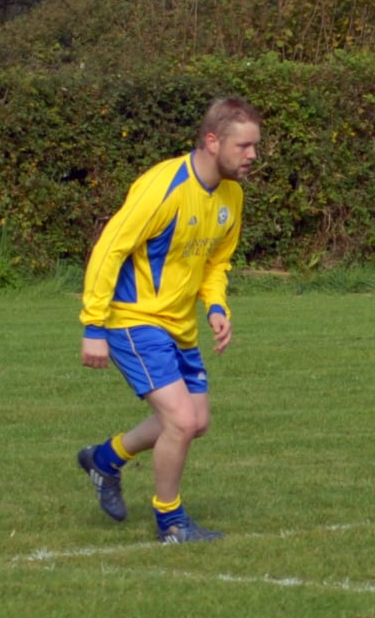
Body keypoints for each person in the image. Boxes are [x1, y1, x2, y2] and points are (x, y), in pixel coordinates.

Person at [75, 96, 262, 544]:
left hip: (178, 325)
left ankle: (105, 459)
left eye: (256, 146)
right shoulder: (165, 186)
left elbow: (217, 260)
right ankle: (171, 522)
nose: (253, 155)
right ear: (212, 141)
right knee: (179, 419)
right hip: (133, 319)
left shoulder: (231, 195)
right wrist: (93, 327)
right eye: (244, 146)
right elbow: (109, 248)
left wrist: (216, 307)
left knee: (195, 421)